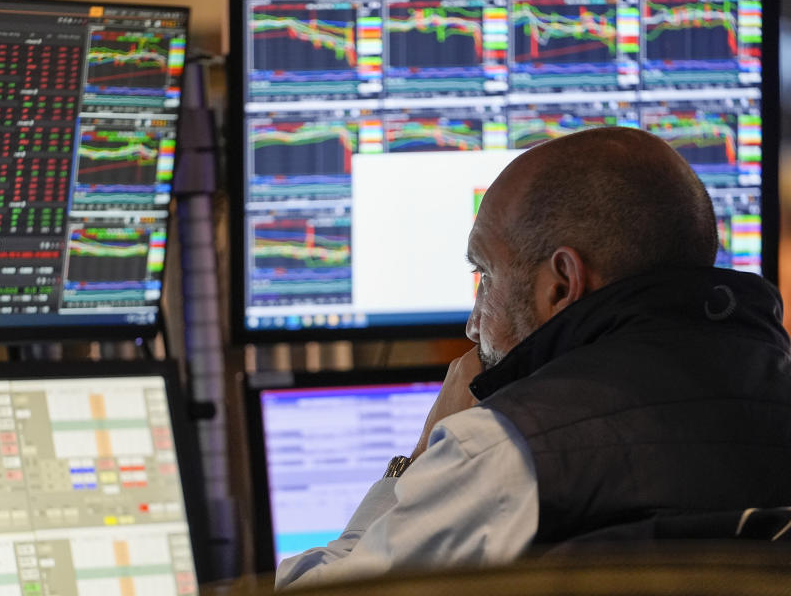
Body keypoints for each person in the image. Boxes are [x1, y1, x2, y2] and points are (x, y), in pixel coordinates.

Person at [275, 127, 791, 589]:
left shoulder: (504, 452)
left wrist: (412, 464)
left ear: (562, 283)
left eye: (485, 276)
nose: (472, 323)